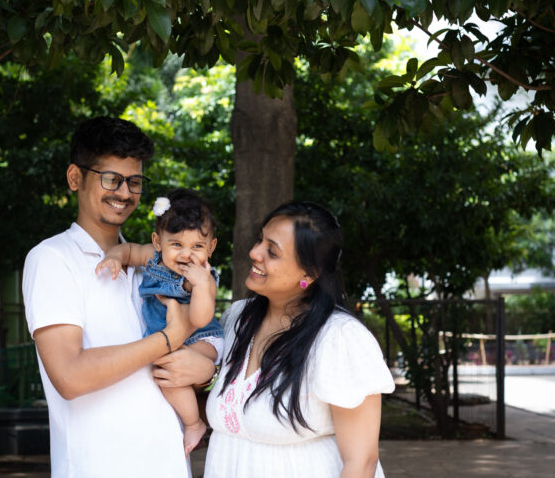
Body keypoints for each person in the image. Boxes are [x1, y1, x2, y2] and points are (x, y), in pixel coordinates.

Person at [22, 116, 217, 478]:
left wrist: (206, 368)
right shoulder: (52, 258)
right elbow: (70, 376)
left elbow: (196, 344)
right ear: (75, 178)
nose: (125, 193)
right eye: (111, 179)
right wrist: (168, 339)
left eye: (135, 182)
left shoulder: (157, 264)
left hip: (170, 465)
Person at [204, 201, 395, 478]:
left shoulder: (339, 337)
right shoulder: (237, 318)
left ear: (309, 274)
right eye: (260, 240)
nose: (254, 253)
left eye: (272, 251)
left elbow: (361, 462)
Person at [96, 188, 224, 455]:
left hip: (202, 338)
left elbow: (200, 319)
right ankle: (191, 420)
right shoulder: (152, 258)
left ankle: (193, 424)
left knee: (169, 371)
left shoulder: (202, 277)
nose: (186, 255)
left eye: (197, 246)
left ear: (211, 247)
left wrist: (201, 287)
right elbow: (129, 250)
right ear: (158, 242)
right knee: (165, 372)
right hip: (169, 340)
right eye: (176, 244)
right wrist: (115, 256)